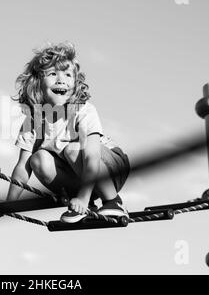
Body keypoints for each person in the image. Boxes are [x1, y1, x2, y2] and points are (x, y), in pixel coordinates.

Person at [7, 42, 130, 223]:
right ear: (37, 83)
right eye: (52, 74)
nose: (61, 79)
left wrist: (83, 196)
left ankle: (113, 201)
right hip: (79, 175)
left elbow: (91, 158)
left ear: (75, 82)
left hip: (110, 168)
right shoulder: (33, 119)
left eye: (67, 74)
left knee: (73, 149)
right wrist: (9, 203)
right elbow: (22, 166)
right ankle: (83, 205)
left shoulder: (83, 110)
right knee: (37, 159)